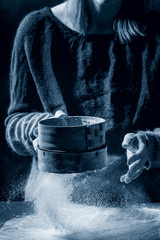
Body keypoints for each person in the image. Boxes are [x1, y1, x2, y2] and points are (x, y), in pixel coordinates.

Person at [5, 0, 160, 194]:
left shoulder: (155, 31)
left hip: (143, 204)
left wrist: (151, 145)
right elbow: (15, 122)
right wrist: (42, 128)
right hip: (56, 205)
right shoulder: (35, 29)